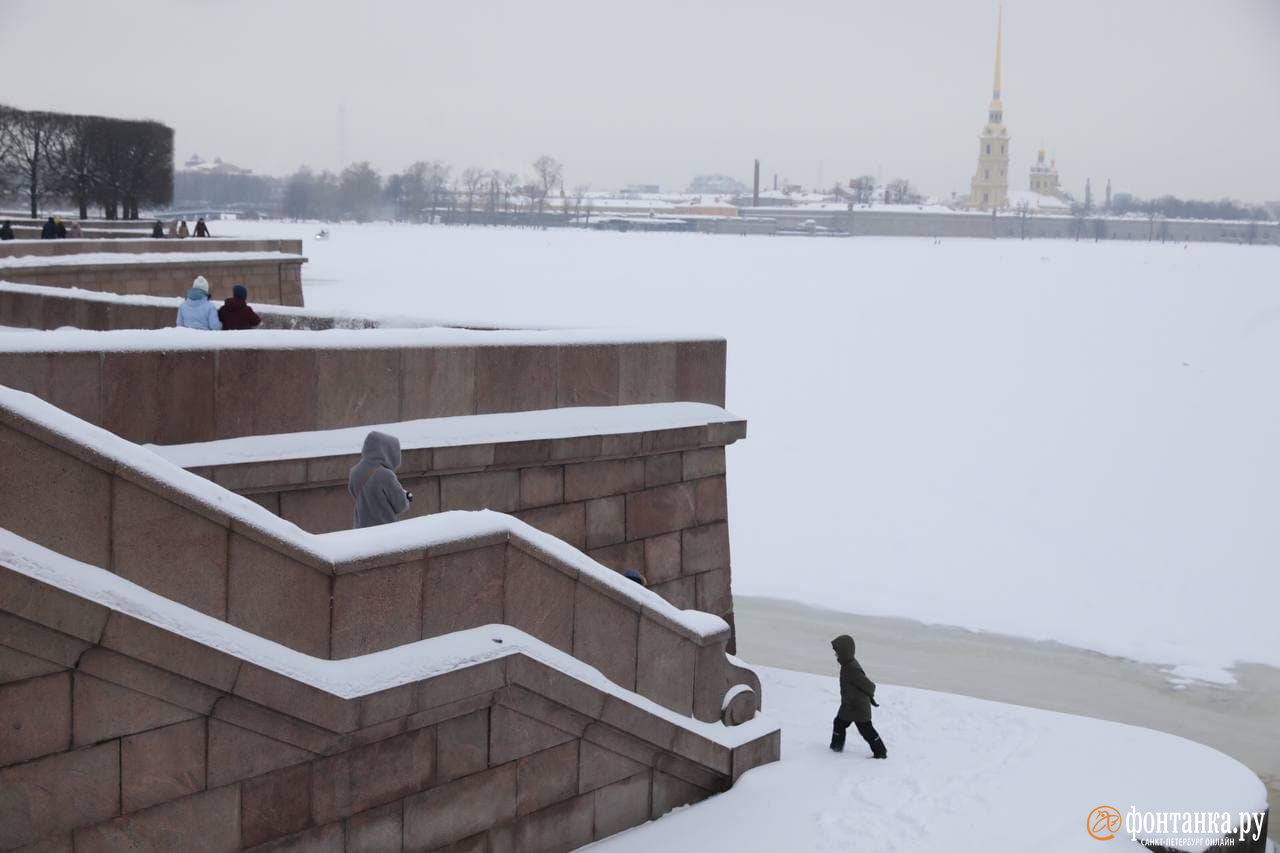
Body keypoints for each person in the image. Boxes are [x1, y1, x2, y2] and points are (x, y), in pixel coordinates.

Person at [830, 634, 887, 759]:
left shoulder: (852, 669)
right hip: (849, 706)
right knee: (839, 723)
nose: (836, 655)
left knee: (866, 730)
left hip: (858, 707)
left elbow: (869, 686)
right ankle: (836, 748)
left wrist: (869, 696)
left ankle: (881, 752)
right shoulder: (848, 665)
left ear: (845, 652)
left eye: (838, 652)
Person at [348, 431, 414, 528]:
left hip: (361, 528)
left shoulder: (354, 471)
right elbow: (401, 506)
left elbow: (355, 494)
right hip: (384, 529)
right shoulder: (386, 475)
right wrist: (406, 497)